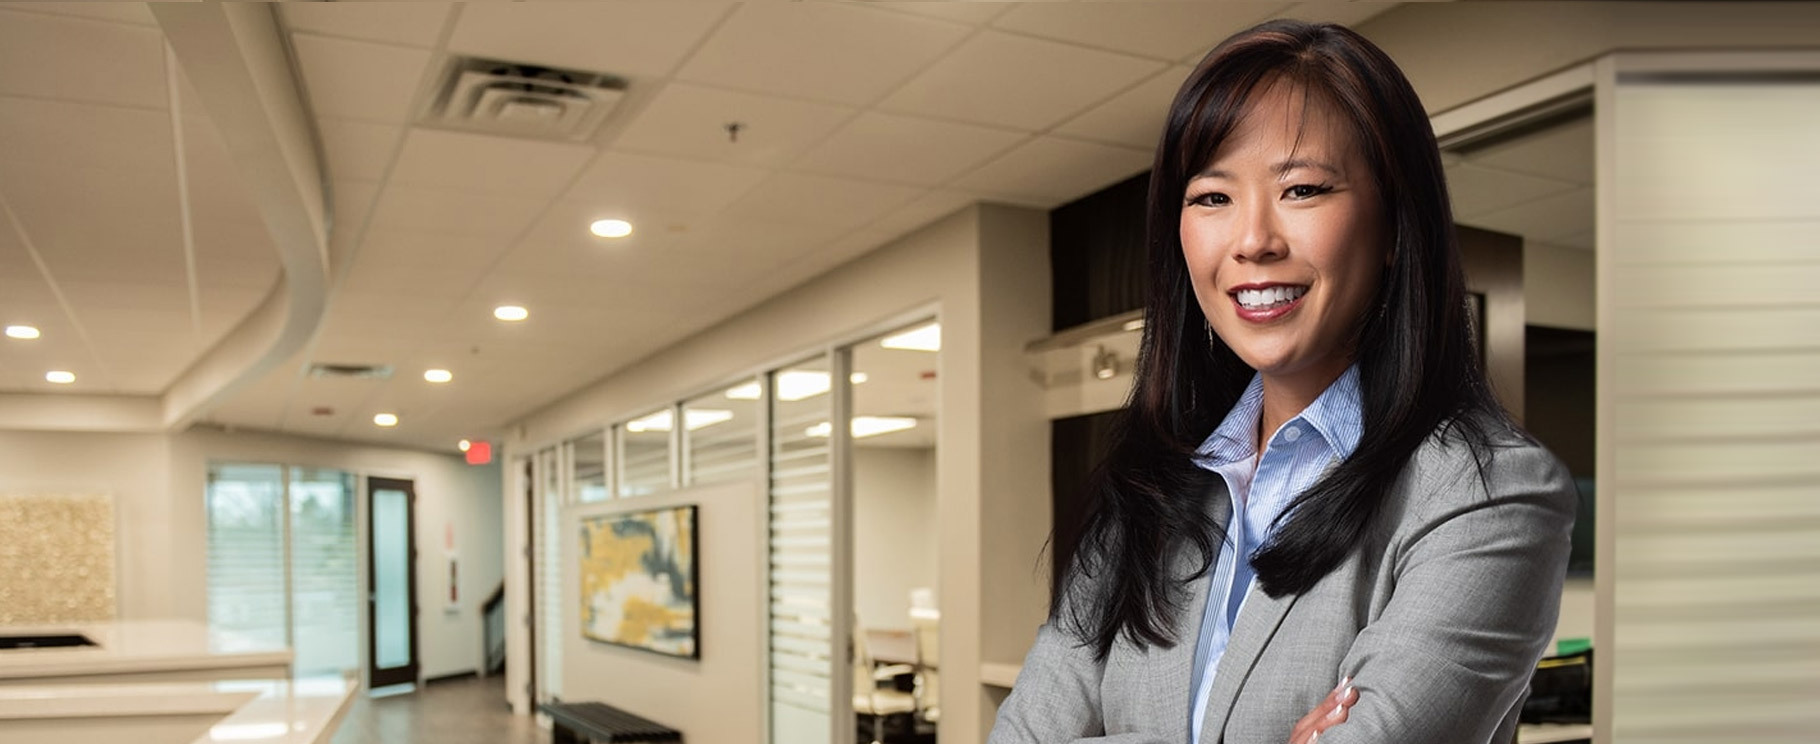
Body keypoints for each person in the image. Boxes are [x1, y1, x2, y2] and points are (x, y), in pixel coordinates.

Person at [988, 19, 1575, 744]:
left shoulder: (1488, 493)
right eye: (1211, 198)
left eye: (1302, 188)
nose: (1253, 240)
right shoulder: (1142, 499)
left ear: (1394, 225)